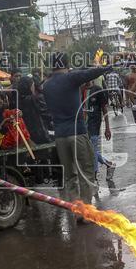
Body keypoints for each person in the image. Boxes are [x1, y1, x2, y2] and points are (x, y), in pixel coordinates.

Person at [42, 53, 111, 206]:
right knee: (85, 171)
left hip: (60, 137)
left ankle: (76, 208)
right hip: (77, 133)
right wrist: (109, 65)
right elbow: (91, 72)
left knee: (70, 175)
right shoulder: (71, 78)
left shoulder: (46, 85)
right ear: (66, 66)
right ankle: (86, 209)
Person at [84, 78, 114, 188]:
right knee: (89, 150)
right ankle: (108, 164)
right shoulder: (80, 89)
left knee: (93, 150)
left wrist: (107, 128)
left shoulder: (98, 90)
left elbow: (104, 109)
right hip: (83, 125)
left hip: (94, 124)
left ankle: (94, 178)